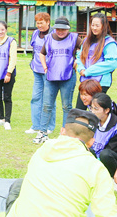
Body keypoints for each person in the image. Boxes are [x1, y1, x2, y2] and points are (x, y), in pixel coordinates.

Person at [33, 16, 83, 144]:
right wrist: (44, 67)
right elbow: (42, 53)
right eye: (58, 29)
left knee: (67, 106)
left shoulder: (74, 38)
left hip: (67, 76)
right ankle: (42, 133)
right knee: (47, 105)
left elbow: (85, 50)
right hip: (51, 77)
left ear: (68, 29)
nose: (60, 32)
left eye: (63, 29)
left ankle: (66, 133)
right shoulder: (49, 38)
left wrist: (77, 61)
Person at [75, 13, 117, 109]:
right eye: (92, 25)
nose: (94, 28)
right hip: (85, 82)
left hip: (100, 83)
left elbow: (112, 63)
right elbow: (80, 57)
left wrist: (88, 71)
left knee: (96, 111)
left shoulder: (109, 42)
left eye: (97, 25)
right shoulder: (87, 40)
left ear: (103, 26)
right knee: (79, 111)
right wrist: (81, 69)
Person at [87, 93, 117, 177]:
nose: (93, 112)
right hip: (98, 155)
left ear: (106, 110)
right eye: (91, 108)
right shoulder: (93, 120)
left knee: (105, 154)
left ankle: (113, 175)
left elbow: (111, 150)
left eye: (96, 109)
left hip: (114, 158)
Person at [25, 12, 53, 134]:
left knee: (49, 99)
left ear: (48, 22)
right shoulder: (35, 33)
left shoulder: (53, 35)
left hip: (49, 71)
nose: (39, 25)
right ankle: (35, 125)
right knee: (35, 98)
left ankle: (49, 126)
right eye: (37, 23)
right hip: (36, 70)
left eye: (41, 23)